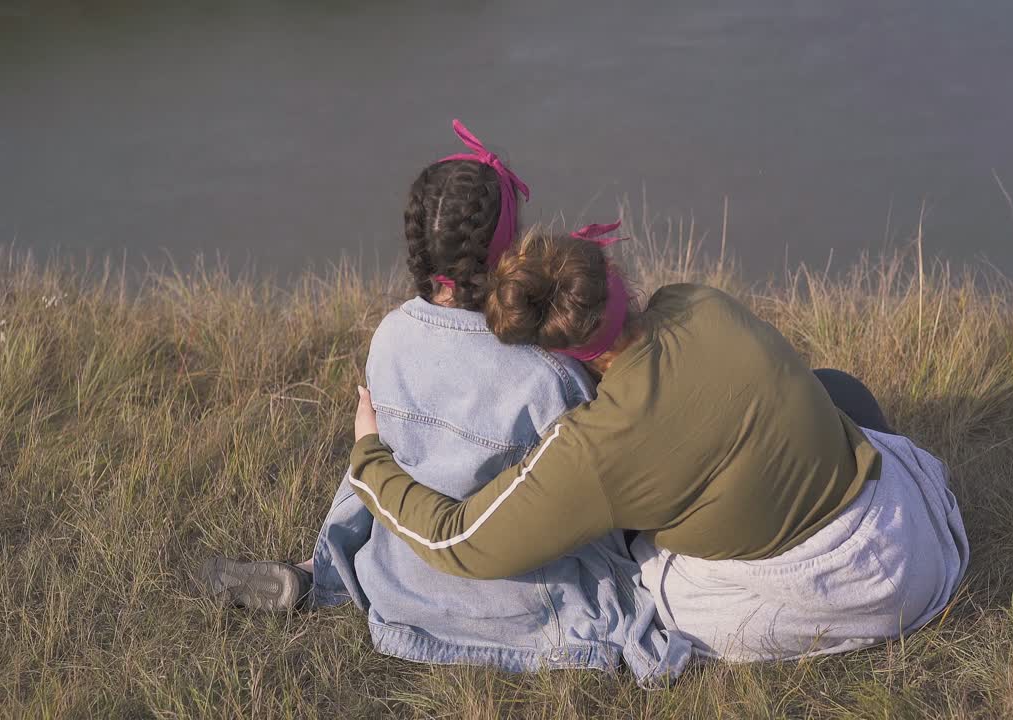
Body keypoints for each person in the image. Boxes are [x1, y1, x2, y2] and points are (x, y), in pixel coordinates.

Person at [198, 122, 690, 683]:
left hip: (402, 583)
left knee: (374, 452)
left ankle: (326, 571)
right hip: (531, 605)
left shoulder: (389, 338)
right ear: (509, 254)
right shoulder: (546, 373)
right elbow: (599, 482)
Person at [348, 230, 970, 661]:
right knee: (835, 389)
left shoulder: (595, 447)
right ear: (611, 274)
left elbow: (462, 543)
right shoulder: (699, 302)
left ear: (551, 353)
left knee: (638, 570)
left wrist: (370, 460)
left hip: (841, 589)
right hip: (906, 524)